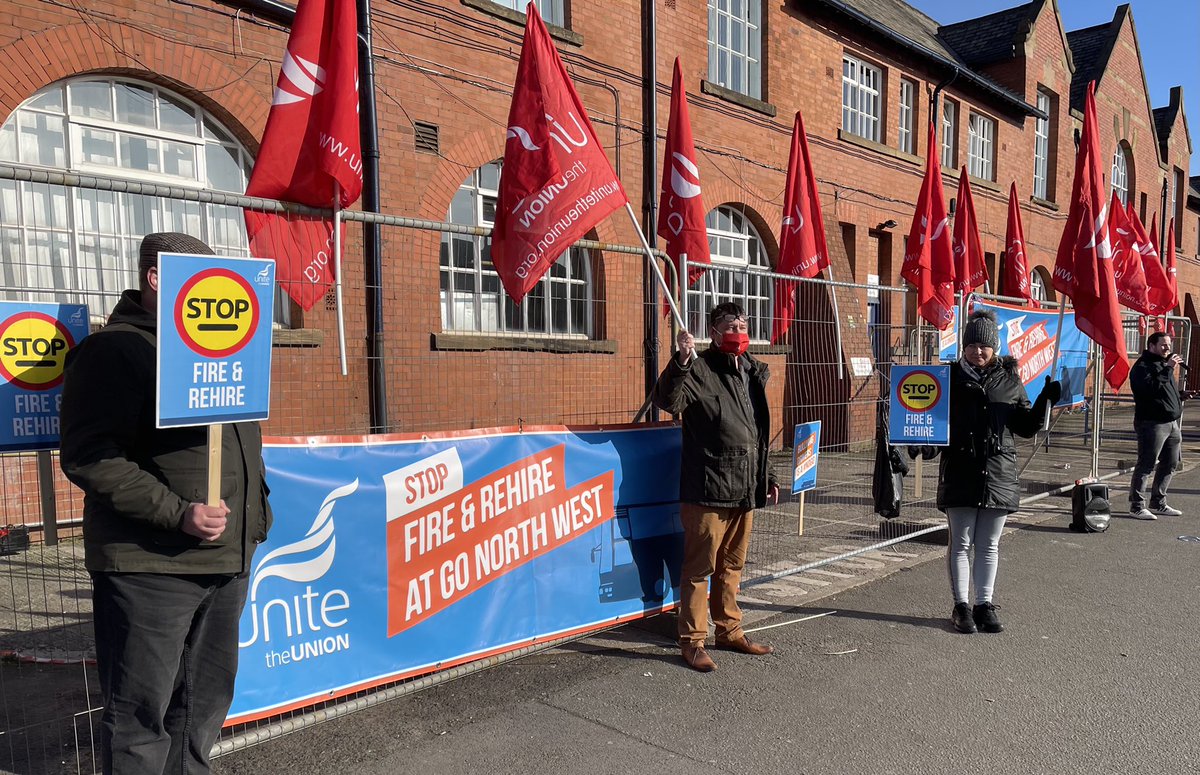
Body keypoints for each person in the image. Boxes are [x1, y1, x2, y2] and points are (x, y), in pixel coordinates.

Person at [59, 232, 273, 775]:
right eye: (193, 276)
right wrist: (178, 513)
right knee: (139, 717)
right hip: (150, 567)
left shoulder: (221, 349)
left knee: (200, 711)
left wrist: (257, 515)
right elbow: (90, 456)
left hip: (225, 560)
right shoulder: (116, 350)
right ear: (156, 278)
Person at [652, 302, 779, 672]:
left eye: (742, 322)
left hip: (744, 489)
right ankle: (692, 641)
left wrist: (767, 476)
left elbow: (759, 436)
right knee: (699, 568)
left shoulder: (752, 371)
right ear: (713, 331)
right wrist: (682, 361)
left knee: (732, 566)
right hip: (707, 489)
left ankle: (729, 630)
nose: (738, 329)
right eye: (729, 323)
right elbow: (667, 400)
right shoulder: (700, 368)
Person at [937, 309, 1059, 635]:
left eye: (985, 345)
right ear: (963, 346)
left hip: (999, 473)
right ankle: (961, 606)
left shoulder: (1009, 380)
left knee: (989, 544)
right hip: (961, 469)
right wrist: (919, 441)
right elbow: (931, 423)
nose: (979, 351)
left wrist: (1046, 400)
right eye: (973, 344)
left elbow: (1025, 427)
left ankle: (984, 605)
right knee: (961, 543)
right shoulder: (946, 379)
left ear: (995, 347)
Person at [1127, 331, 1186, 520]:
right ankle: (1136, 506)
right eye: (1163, 345)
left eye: (1169, 345)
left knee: (1171, 463)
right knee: (1146, 464)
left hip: (1171, 423)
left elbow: (1164, 391)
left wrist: (1181, 396)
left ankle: (1158, 502)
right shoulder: (1142, 367)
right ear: (1151, 345)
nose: (1167, 348)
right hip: (1151, 424)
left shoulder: (1163, 365)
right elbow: (1150, 390)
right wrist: (1168, 368)